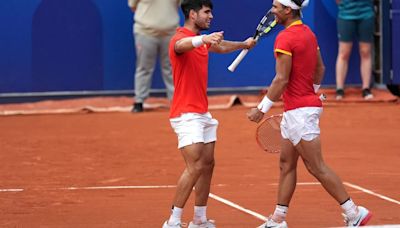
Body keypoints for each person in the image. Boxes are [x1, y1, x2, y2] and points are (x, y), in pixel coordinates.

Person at [247, 0, 372, 227]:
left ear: (287, 10)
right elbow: (320, 69)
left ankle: (354, 213)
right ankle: (278, 218)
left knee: (316, 167)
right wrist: (311, 93)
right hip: (298, 109)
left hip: (300, 113)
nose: (272, 11)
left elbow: (281, 79)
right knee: (286, 164)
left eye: (276, 7)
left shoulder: (285, 38)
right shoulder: (308, 33)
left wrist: (261, 108)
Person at [163, 0, 256, 227]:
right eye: (206, 12)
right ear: (192, 14)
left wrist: (243, 44)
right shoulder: (179, 39)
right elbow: (182, 45)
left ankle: (199, 220)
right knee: (195, 166)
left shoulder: (203, 44)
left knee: (207, 165)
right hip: (186, 115)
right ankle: (173, 221)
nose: (211, 16)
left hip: (202, 113)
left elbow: (221, 47)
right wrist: (203, 39)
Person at [128, 0, 180, 112]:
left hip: (171, 33)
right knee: (144, 67)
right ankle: (139, 101)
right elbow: (132, 6)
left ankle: (177, 101)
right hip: (145, 32)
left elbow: (183, 5)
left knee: (172, 68)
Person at [335, 0, 375, 100]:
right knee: (344, 53)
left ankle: (366, 88)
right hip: (345, 14)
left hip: (366, 14)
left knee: (365, 51)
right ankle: (339, 89)